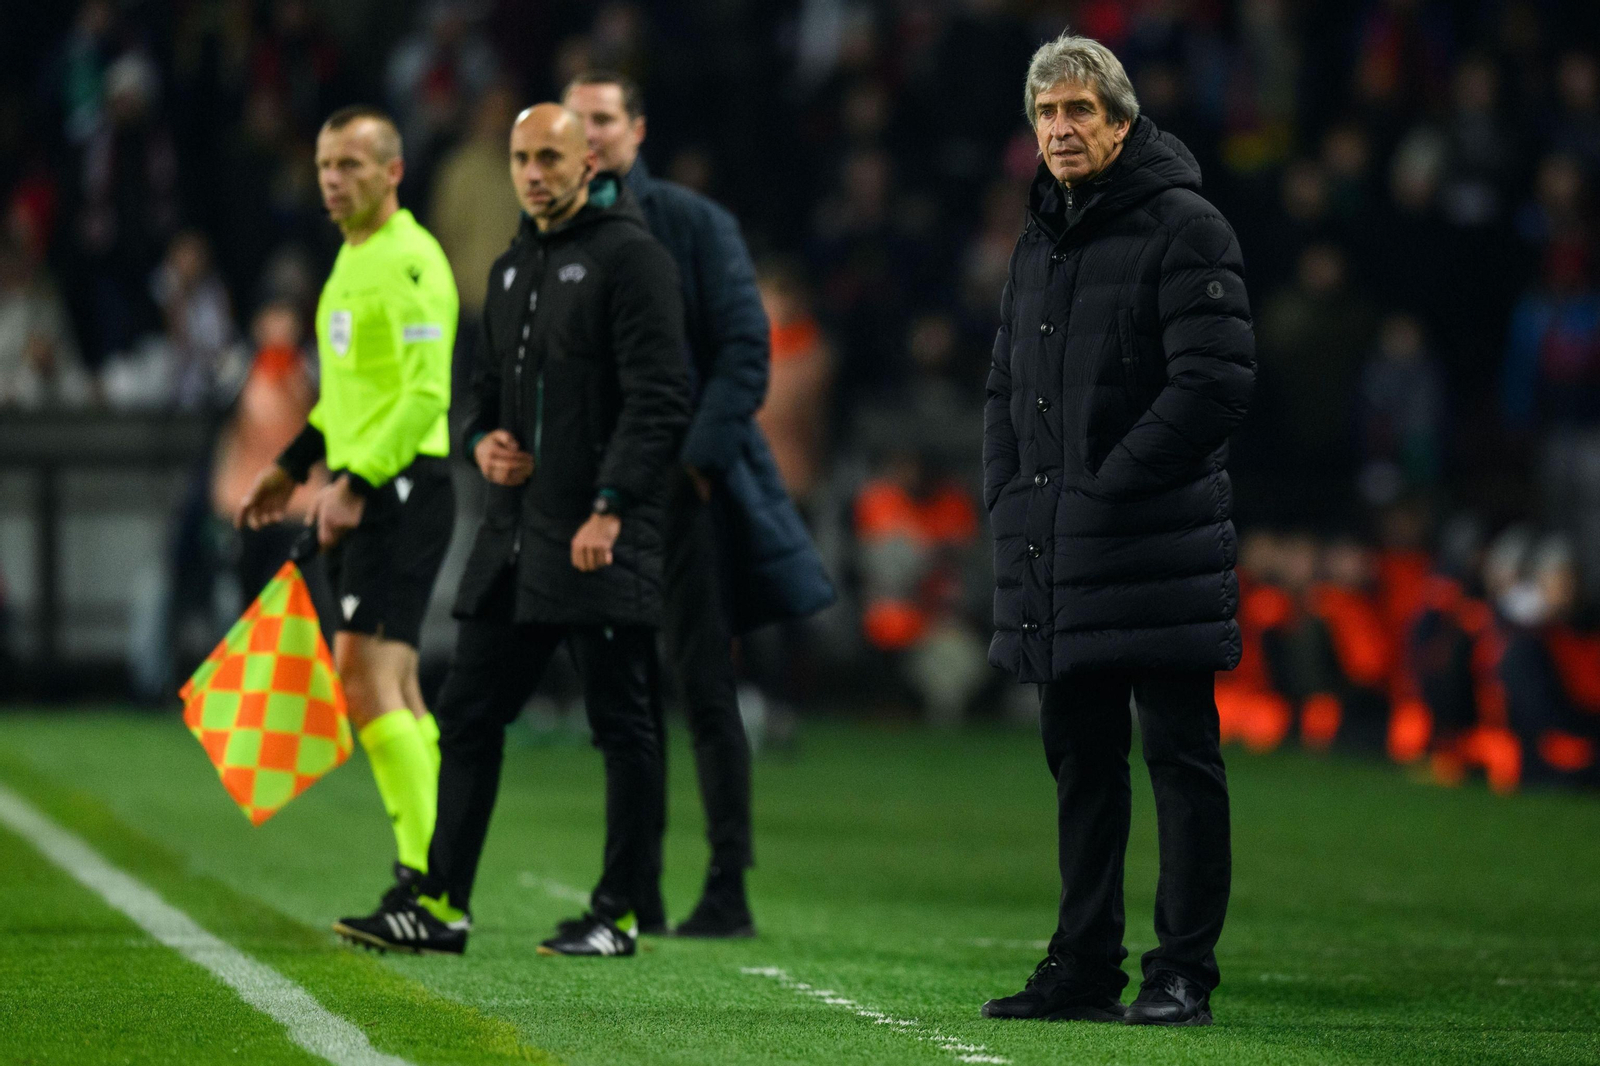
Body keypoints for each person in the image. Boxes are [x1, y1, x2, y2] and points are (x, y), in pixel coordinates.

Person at [335, 103, 691, 958]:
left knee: (623, 725)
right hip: (517, 540)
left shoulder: (631, 259)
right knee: (466, 713)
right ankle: (443, 903)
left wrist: (610, 505)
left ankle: (620, 911)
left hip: (595, 536)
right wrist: (478, 441)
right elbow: (482, 394)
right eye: (519, 158)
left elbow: (661, 399)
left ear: (588, 161)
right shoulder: (507, 270)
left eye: (548, 157)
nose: (531, 173)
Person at [980, 33, 1254, 1027]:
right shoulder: (1038, 240)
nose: (1061, 128)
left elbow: (1215, 382)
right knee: (1080, 760)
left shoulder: (1185, 227)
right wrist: (1011, 495)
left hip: (1154, 545)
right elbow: (1005, 389)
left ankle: (1181, 969)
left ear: (1122, 122)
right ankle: (1084, 965)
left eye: (1079, 111)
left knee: (1178, 755)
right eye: (1046, 113)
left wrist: (1105, 489)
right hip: (1063, 543)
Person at [564, 71, 834, 936]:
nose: (591, 135)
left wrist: (689, 468)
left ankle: (727, 884)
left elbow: (744, 355)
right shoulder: (558, 228)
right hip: (599, 494)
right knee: (622, 691)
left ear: (637, 128)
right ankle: (634, 883)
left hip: (682, 495)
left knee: (703, 687)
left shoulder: (691, 223)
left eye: (603, 119)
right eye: (579, 122)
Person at [235, 106, 458, 937]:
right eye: (326, 165)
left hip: (400, 489)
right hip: (368, 488)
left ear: (393, 172)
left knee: (366, 679)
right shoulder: (350, 260)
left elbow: (425, 395)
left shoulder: (409, 263)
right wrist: (293, 466)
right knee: (389, 683)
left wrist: (357, 482)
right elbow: (350, 400)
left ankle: (427, 884)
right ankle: (436, 878)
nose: (334, 180)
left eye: (352, 166)